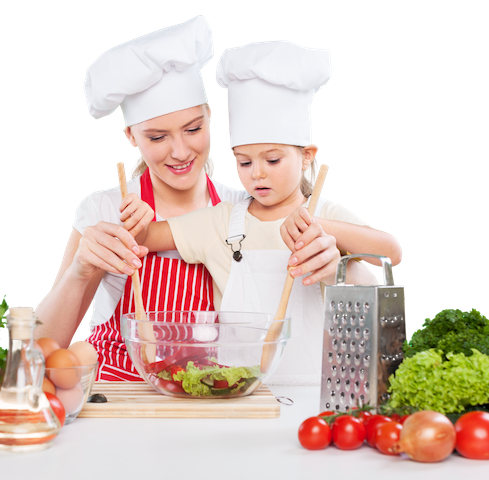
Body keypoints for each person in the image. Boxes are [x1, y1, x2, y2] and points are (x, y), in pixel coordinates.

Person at [32, 14, 321, 381]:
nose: (181, 151)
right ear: (131, 137)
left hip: (208, 396)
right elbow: (40, 349)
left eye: (193, 128)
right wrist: (81, 271)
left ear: (210, 119)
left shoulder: (243, 211)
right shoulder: (104, 210)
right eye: (157, 137)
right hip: (121, 401)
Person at [131, 40, 403, 385]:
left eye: (272, 160)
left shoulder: (325, 214)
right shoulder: (220, 221)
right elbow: (146, 238)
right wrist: (136, 215)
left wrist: (320, 227)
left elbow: (391, 253)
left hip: (318, 386)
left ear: (306, 155)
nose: (256, 173)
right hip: (238, 387)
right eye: (244, 161)